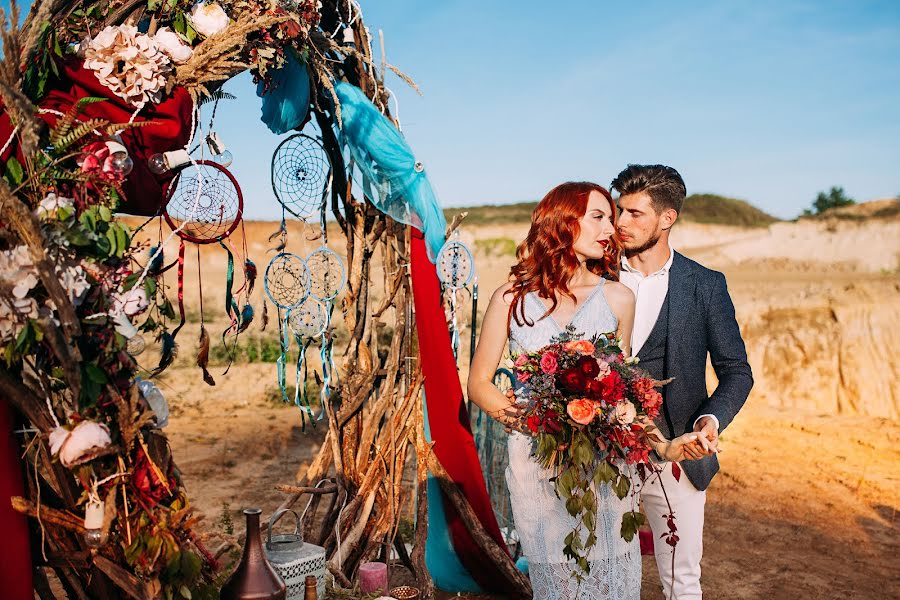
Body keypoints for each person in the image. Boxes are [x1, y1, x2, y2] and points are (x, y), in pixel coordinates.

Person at [467, 181, 710, 599]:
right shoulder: (509, 299)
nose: (610, 228)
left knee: (612, 580)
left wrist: (666, 447)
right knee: (556, 583)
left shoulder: (618, 298)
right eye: (598, 216)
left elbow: (625, 394)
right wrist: (539, 421)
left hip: (605, 468)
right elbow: (477, 385)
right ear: (563, 221)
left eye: (610, 219)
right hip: (537, 467)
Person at [611, 164, 754, 599]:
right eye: (619, 210)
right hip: (600, 446)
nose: (620, 222)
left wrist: (710, 421)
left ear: (667, 218)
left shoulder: (706, 286)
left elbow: (736, 371)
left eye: (635, 213)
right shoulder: (594, 278)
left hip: (679, 450)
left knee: (681, 578)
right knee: (605, 571)